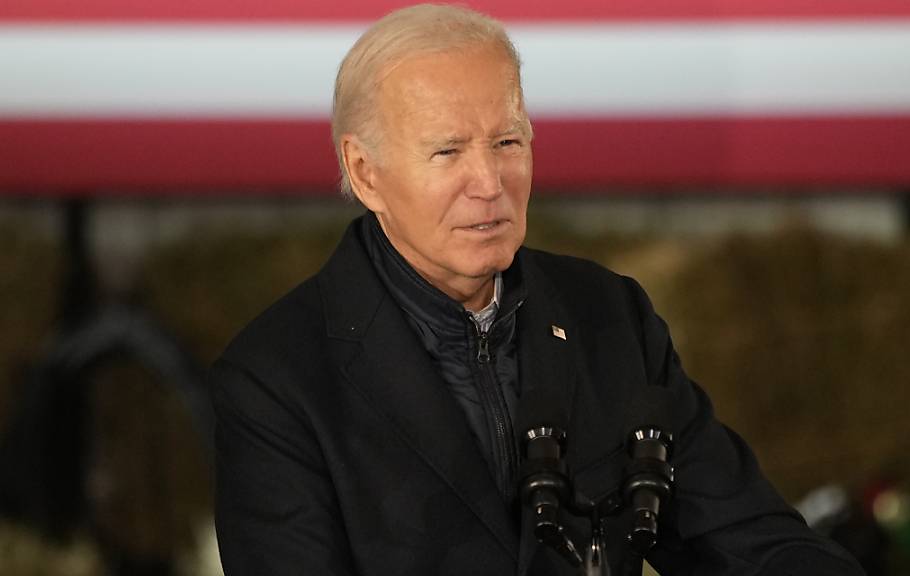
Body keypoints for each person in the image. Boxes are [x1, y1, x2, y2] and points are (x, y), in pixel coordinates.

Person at [210, 4, 865, 575]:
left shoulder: (611, 318)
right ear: (365, 171)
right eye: (448, 152)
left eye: (507, 141)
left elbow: (749, 543)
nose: (490, 181)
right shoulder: (277, 381)